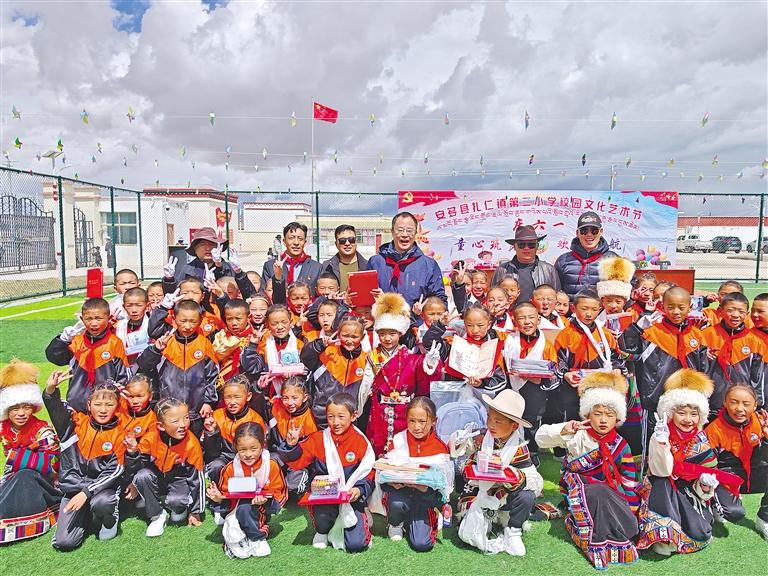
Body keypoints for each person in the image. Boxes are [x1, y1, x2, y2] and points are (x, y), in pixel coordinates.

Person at [536, 371, 640, 569]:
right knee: (597, 492)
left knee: (630, 528)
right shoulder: (577, 434)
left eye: (609, 415)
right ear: (587, 414)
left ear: (617, 418)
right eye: (598, 414)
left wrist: (632, 510)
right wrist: (564, 430)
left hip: (611, 495)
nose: (603, 420)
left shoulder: (621, 444)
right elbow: (540, 438)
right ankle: (598, 540)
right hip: (581, 491)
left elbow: (628, 480)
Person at [635, 369, 742, 556]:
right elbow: (661, 471)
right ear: (670, 413)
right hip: (661, 488)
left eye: (693, 414)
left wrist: (705, 485)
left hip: (691, 491)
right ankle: (664, 537)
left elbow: (709, 471)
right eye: (682, 413)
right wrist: (662, 444)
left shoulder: (701, 439)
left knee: (700, 533)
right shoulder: (660, 435)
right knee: (663, 483)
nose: (688, 419)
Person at [450, 389, 543, 556]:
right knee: (468, 531)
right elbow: (459, 450)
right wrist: (461, 440)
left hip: (505, 495)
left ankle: (513, 531)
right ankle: (482, 518)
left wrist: (512, 477)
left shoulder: (519, 448)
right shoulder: (480, 438)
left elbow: (534, 480)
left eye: (498, 421)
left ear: (514, 426)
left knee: (527, 496)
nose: (491, 425)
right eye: (489, 418)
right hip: (478, 491)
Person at [280, 392, 375, 552]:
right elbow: (297, 463)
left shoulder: (361, 442)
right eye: (331, 417)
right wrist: (291, 446)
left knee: (356, 545)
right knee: (323, 518)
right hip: (324, 497)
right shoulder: (318, 439)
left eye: (341, 417)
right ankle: (322, 531)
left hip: (351, 498)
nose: (335, 422)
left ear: (354, 416)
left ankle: (361, 515)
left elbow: (369, 472)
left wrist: (359, 489)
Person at [43, 374, 125, 549]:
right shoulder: (74, 424)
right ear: (89, 405)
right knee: (65, 542)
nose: (103, 410)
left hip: (101, 491)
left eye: (109, 405)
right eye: (98, 404)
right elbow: (55, 407)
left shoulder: (120, 434)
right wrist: (51, 389)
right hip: (73, 489)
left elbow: (115, 471)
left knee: (103, 502)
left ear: (117, 407)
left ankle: (109, 519)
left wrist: (86, 493)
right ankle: (87, 516)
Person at [359, 293, 442, 456]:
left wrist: (430, 363)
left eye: (392, 333)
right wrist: (359, 408)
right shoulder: (372, 356)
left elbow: (424, 373)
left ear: (401, 333)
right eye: (382, 334)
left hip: (404, 413)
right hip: (379, 412)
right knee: (379, 450)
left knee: (403, 450)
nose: (387, 338)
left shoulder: (410, 357)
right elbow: (365, 386)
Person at [137, 300, 219, 436]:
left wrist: (208, 402)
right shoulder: (166, 341)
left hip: (196, 411)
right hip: (168, 410)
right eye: (183, 321)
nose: (188, 326)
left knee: (194, 443)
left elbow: (213, 376)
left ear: (200, 320)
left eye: (193, 321)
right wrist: (156, 350)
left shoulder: (204, 344)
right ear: (174, 319)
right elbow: (144, 365)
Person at [379, 397, 452, 552]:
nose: (416, 427)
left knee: (421, 544)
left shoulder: (440, 448)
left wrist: (425, 489)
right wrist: (391, 482)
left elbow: (444, 489)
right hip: (401, 493)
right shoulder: (398, 440)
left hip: (424, 499)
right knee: (396, 503)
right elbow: (384, 472)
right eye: (411, 421)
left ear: (434, 421)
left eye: (422, 421)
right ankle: (395, 523)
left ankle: (423, 519)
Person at [0, 360, 61, 544]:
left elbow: (52, 465)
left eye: (26, 407)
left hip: (44, 483)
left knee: (24, 475)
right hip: (15, 478)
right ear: (6, 409)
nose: (21, 413)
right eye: (15, 408)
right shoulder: (4, 428)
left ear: (33, 407)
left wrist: (16, 457)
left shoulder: (43, 430)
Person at [125, 398, 205, 537]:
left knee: (176, 505)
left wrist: (196, 511)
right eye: (175, 421)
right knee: (142, 476)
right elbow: (140, 464)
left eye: (186, 418)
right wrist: (133, 454)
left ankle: (178, 506)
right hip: (157, 476)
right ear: (161, 426)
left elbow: (197, 479)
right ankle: (157, 515)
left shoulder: (192, 444)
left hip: (178, 479)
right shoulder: (151, 437)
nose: (183, 425)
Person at [206, 423, 287, 558]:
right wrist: (217, 497)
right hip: (235, 508)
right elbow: (225, 494)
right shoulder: (231, 468)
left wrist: (265, 500)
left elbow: (279, 492)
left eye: (253, 449)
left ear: (262, 445)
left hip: (260, 509)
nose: (248, 454)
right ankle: (241, 534)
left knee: (245, 508)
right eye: (242, 450)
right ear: (236, 447)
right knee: (235, 532)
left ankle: (257, 537)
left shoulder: (271, 465)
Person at [44, 297, 129, 413]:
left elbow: (123, 376)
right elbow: (55, 358)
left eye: (98, 318)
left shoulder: (114, 342)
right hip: (77, 405)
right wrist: (62, 341)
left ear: (109, 318)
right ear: (81, 319)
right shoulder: (76, 341)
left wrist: (116, 393)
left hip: (104, 406)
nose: (94, 323)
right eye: (89, 319)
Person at [705, 384, 768, 529]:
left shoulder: (761, 422)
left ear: (755, 405)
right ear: (725, 403)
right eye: (734, 402)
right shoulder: (714, 430)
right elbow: (707, 468)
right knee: (734, 513)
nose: (739, 409)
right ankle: (714, 502)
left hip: (753, 474)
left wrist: (766, 436)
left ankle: (764, 519)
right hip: (727, 476)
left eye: (746, 404)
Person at [503, 302, 557, 462]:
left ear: (538, 320)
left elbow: (553, 370)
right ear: (514, 321)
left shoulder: (546, 344)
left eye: (531, 317)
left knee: (531, 420)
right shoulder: (508, 340)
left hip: (535, 389)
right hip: (511, 385)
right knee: (510, 418)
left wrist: (537, 378)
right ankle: (511, 450)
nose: (527, 322)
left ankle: (532, 452)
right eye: (522, 318)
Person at [423, 303, 509, 401]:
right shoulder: (455, 343)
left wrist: (481, 384)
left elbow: (500, 381)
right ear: (464, 324)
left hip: (480, 402)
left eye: (480, 325)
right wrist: (440, 325)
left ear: (489, 325)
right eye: (469, 325)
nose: (475, 330)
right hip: (453, 399)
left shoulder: (492, 348)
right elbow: (429, 343)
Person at [702, 292, 767, 417]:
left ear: (747, 314)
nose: (736, 315)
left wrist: (758, 405)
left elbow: (757, 378)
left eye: (741, 312)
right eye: (730, 310)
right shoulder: (706, 335)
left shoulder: (755, 341)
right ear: (721, 311)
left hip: (742, 406)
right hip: (712, 404)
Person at [368, 212, 446, 309]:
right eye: (400, 230)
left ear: (416, 233)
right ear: (392, 232)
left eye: (409, 230)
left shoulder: (429, 265)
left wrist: (423, 309)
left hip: (415, 318)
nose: (405, 234)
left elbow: (439, 301)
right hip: (382, 318)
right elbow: (365, 299)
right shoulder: (376, 262)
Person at [301, 316, 368, 428]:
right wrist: (319, 345)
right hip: (322, 419)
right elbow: (305, 357)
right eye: (345, 336)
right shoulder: (327, 353)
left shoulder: (367, 360)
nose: (349, 340)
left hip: (351, 420)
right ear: (338, 334)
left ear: (362, 337)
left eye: (354, 337)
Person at [267, 376, 317, 498]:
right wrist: (258, 388)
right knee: (270, 461)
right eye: (285, 398)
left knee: (293, 487)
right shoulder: (276, 407)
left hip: (299, 460)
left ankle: (300, 482)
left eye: (294, 398)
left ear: (304, 397)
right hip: (280, 455)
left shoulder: (310, 417)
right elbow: (259, 404)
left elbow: (310, 455)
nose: (289, 403)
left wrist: (294, 445)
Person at [554, 211, 618, 301]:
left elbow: (625, 292)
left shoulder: (613, 259)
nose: (589, 234)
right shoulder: (563, 260)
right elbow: (555, 293)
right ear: (577, 233)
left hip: (601, 310)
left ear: (601, 232)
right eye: (584, 231)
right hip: (571, 310)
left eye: (594, 231)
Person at [491, 225, 560, 303]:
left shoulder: (549, 270)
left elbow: (557, 298)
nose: (526, 248)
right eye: (521, 245)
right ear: (514, 247)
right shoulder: (502, 270)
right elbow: (493, 297)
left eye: (531, 245)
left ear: (537, 246)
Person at [162, 227, 235, 292]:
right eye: (202, 244)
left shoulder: (228, 268)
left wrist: (219, 266)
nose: (208, 248)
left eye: (212, 244)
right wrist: (169, 280)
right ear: (195, 249)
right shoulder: (187, 269)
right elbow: (174, 293)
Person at [262, 223, 323, 294]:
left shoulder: (316, 268)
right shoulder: (270, 266)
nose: (296, 243)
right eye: (291, 238)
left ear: (305, 242)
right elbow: (264, 293)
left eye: (300, 239)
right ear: (284, 241)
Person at [321, 225, 370, 292]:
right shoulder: (327, 267)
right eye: (342, 241)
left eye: (351, 240)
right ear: (336, 244)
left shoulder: (368, 266)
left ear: (356, 242)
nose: (347, 243)